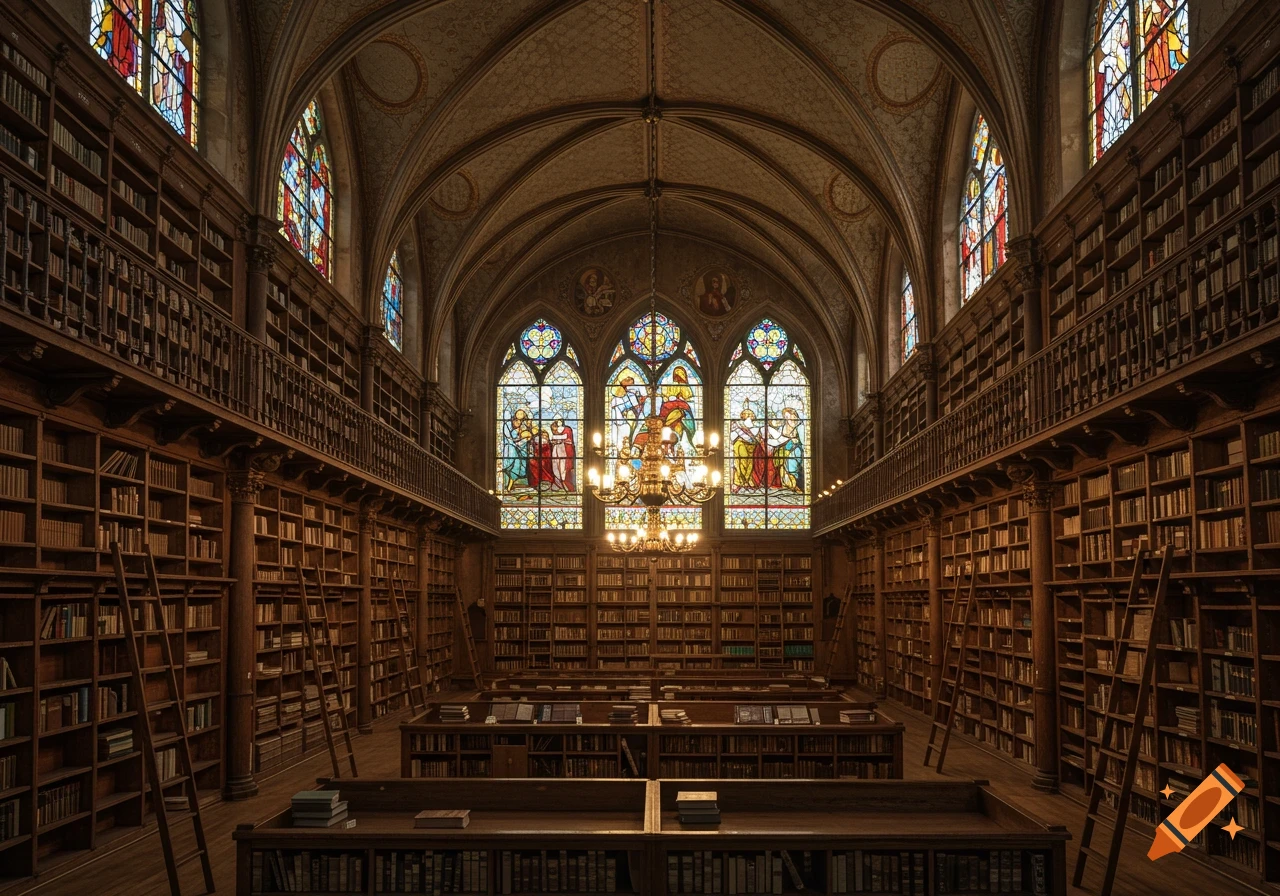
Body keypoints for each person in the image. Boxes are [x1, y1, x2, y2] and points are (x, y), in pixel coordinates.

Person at [767, 407, 805, 493]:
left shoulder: (800, 427)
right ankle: (785, 483)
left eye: (791, 417)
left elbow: (803, 443)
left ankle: (795, 485)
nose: (790, 420)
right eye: (787, 418)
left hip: (796, 449)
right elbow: (779, 439)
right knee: (779, 460)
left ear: (795, 416)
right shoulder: (783, 427)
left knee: (791, 463)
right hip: (784, 449)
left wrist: (794, 441)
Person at [659, 365, 696, 451]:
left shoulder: (685, 387)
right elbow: (666, 396)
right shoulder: (671, 385)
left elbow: (688, 397)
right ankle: (668, 445)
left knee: (678, 423)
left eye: (680, 375)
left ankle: (675, 446)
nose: (678, 377)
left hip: (681, 409)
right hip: (671, 407)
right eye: (676, 375)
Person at [730, 407, 766, 490]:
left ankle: (748, 481)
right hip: (740, 443)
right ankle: (738, 482)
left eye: (751, 414)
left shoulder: (754, 427)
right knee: (742, 461)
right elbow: (732, 436)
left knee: (750, 463)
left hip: (752, 445)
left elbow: (757, 436)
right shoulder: (738, 424)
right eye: (747, 414)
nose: (750, 416)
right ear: (743, 415)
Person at [501, 407, 533, 490]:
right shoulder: (509, 425)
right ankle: (508, 485)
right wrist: (522, 437)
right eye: (518, 413)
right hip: (512, 447)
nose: (519, 416)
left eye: (521, 414)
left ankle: (512, 485)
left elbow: (528, 435)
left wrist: (527, 437)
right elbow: (511, 438)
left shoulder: (525, 424)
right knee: (513, 465)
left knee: (519, 466)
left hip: (522, 448)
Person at [609, 375, 646, 446]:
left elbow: (637, 406)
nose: (628, 380)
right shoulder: (618, 398)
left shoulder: (631, 394)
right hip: (620, 420)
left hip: (630, 417)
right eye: (626, 379)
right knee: (624, 430)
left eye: (629, 380)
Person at [549, 418, 576, 492]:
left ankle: (566, 485)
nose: (559, 422)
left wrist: (555, 437)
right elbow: (553, 439)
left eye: (560, 421)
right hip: (556, 451)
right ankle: (558, 484)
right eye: (557, 421)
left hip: (565, 451)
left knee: (564, 468)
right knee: (556, 466)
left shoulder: (567, 429)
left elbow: (565, 437)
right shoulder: (555, 428)